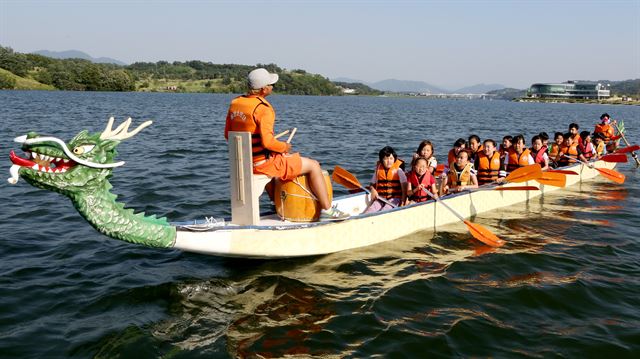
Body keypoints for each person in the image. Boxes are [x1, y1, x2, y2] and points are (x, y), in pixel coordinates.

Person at [224, 68, 347, 220]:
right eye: (271, 84)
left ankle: (275, 203)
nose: (272, 87)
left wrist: (271, 149)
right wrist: (284, 147)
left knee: (279, 158)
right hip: (263, 165)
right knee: (313, 165)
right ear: (264, 89)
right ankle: (328, 211)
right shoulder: (263, 109)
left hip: (244, 164)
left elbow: (227, 135)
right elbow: (268, 142)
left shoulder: (235, 103)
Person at [365, 146, 407, 213]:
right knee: (370, 210)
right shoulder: (378, 170)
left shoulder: (399, 171)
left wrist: (402, 203)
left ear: (394, 159)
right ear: (381, 160)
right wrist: (373, 190)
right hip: (381, 198)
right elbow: (371, 184)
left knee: (385, 210)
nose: (389, 161)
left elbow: (404, 190)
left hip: (395, 199)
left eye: (391, 158)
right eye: (386, 159)